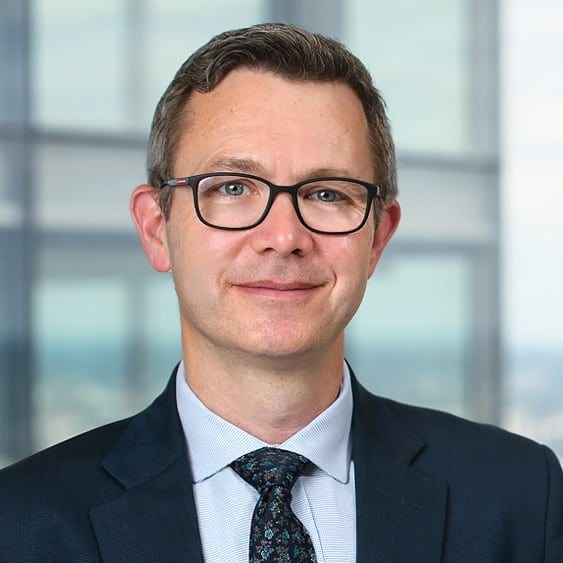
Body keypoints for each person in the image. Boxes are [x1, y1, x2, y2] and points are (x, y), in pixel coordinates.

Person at [0, 22, 562, 563]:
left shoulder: (520, 496)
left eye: (326, 194)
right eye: (233, 187)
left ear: (376, 238)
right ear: (156, 229)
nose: (284, 237)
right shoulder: (20, 521)